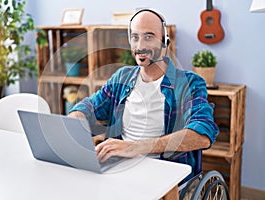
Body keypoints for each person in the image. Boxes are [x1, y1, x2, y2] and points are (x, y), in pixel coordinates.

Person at [68, 8, 219, 182]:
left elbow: (202, 135)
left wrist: (135, 147)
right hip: (118, 168)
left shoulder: (189, 83)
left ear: (164, 41)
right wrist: (76, 118)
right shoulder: (122, 77)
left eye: (149, 37)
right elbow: (89, 106)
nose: (140, 46)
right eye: (135, 37)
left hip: (163, 174)